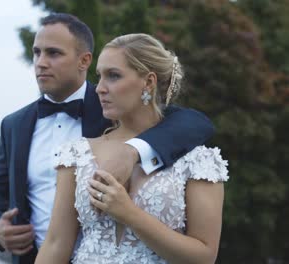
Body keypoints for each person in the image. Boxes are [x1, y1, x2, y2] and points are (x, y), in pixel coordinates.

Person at [0, 13, 215, 264]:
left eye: (54, 53)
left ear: (84, 60)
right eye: (36, 52)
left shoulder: (115, 109)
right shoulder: (15, 124)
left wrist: (133, 151)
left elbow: (194, 123)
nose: (40, 62)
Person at [35, 33, 229, 264]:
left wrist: (128, 213)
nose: (99, 88)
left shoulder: (198, 160)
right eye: (100, 76)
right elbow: (56, 244)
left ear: (148, 82)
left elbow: (204, 257)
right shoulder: (76, 154)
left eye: (113, 76)